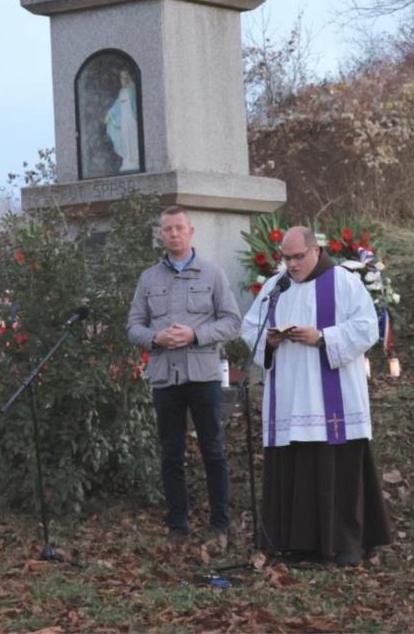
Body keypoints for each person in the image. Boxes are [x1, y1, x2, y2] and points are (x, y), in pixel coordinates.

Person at [241, 226, 393, 565]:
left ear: (315, 251)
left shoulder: (343, 281)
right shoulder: (276, 286)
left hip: (333, 399)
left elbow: (368, 326)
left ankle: (344, 544)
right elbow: (249, 327)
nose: (292, 265)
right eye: (286, 258)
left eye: (298, 257)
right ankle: (294, 543)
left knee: (334, 467)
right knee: (293, 467)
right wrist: (270, 338)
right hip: (290, 395)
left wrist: (323, 337)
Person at [128, 205, 240, 546]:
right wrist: (154, 339)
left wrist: (195, 335)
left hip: (202, 375)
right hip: (165, 377)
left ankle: (220, 525)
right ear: (161, 235)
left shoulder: (212, 274)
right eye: (167, 229)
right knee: (171, 452)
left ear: (191, 232)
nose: (173, 234)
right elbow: (133, 326)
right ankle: (177, 526)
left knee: (213, 451)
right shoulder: (149, 279)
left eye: (179, 228)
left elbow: (232, 322)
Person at [103, 68, 140, 172]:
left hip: (132, 118)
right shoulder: (122, 91)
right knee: (125, 138)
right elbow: (117, 105)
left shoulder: (132, 90)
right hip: (124, 119)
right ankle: (127, 159)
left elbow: (135, 104)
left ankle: (135, 159)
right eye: (121, 78)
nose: (123, 80)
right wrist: (109, 114)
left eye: (125, 77)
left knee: (133, 138)